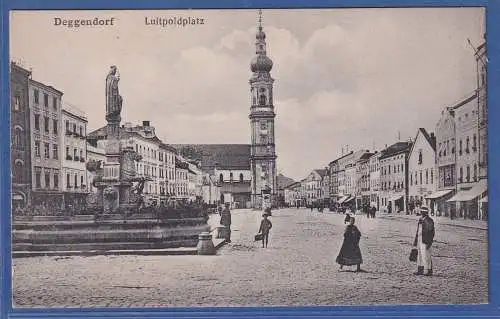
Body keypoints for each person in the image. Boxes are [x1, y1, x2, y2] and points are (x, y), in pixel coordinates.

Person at [414, 209, 435, 276]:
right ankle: (420, 270)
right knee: (420, 256)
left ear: (426, 213)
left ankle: (428, 271)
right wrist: (416, 240)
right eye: (421, 212)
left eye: (423, 212)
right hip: (420, 239)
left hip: (425, 240)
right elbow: (418, 231)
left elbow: (431, 232)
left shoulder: (429, 220)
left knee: (426, 256)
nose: (421, 214)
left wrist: (429, 242)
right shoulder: (421, 220)